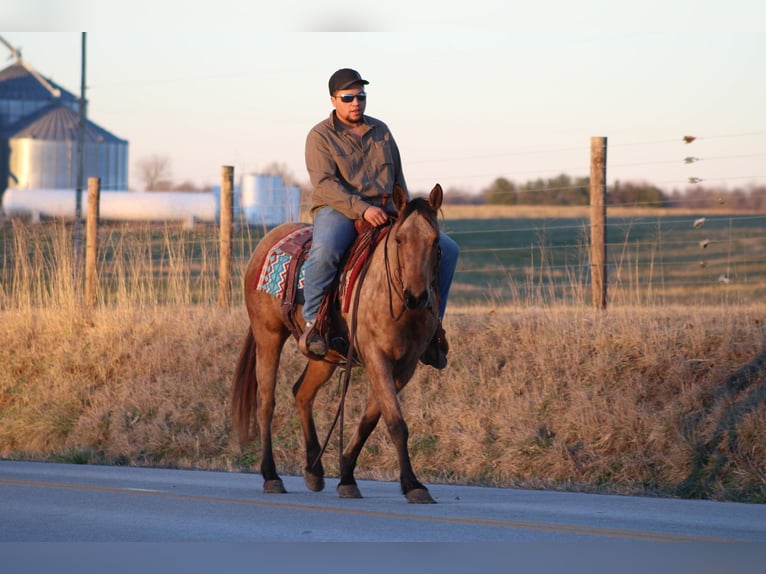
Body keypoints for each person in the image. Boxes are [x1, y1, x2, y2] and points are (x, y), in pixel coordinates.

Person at [299, 68, 459, 369]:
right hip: (339, 209)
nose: (355, 103)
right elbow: (324, 185)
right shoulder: (320, 136)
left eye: (361, 96)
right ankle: (314, 324)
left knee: (448, 249)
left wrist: (406, 214)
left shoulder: (382, 131)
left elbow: (398, 177)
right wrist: (361, 209)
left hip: (387, 210)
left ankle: (433, 325)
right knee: (326, 250)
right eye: (348, 98)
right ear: (334, 100)